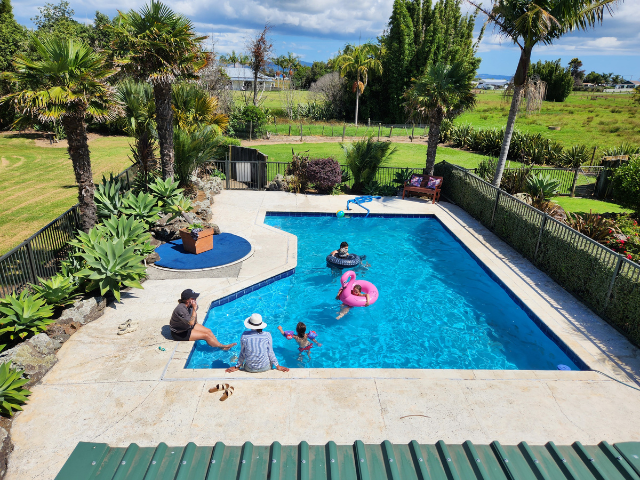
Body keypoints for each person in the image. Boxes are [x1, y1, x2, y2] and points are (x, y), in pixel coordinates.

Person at [170, 289, 236, 350]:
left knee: (208, 331)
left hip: (188, 326)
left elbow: (193, 320)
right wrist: (194, 309)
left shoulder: (190, 305)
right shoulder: (181, 309)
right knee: (206, 336)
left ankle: (221, 346)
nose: (195, 299)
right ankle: (223, 346)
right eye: (193, 298)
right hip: (180, 333)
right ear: (187, 300)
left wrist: (196, 323)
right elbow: (191, 322)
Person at [225, 313, 289, 374]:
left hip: (250, 369)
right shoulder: (267, 335)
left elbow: (243, 353)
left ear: (250, 324)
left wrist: (237, 366)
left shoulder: (244, 335)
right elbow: (270, 352)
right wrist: (278, 366)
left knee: (244, 358)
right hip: (265, 368)